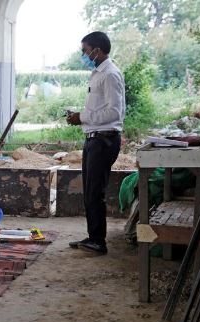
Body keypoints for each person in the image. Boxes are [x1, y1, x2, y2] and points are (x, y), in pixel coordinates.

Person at [66, 31, 126, 255]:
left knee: (94, 192)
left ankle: (98, 241)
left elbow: (114, 112)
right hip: (94, 139)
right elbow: (98, 109)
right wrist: (81, 116)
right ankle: (93, 237)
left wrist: (81, 117)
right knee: (89, 192)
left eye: (85, 50)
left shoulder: (110, 74)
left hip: (104, 140)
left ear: (96, 51)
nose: (83, 55)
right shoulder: (98, 73)